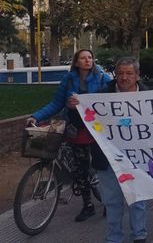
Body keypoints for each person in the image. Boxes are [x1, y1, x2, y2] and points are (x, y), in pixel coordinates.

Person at [27, 48, 112, 222]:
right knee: (80, 169)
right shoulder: (68, 80)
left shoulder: (103, 78)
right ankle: (87, 205)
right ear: (76, 62)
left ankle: (110, 203)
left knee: (102, 167)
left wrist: (84, 101)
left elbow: (110, 100)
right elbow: (56, 103)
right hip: (76, 128)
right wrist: (36, 116)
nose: (88, 60)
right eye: (83, 58)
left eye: (90, 57)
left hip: (97, 130)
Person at [92, 57, 149, 243]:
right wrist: (75, 108)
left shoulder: (151, 97)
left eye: (129, 73)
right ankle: (114, 238)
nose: (124, 77)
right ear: (115, 75)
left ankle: (139, 235)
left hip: (138, 158)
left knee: (138, 199)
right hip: (108, 158)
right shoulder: (99, 96)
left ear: (137, 75)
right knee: (112, 202)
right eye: (120, 73)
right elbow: (83, 122)